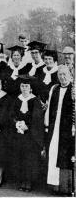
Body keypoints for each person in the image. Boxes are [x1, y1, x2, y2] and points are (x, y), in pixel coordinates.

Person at [10, 75, 45, 192]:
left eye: (27, 86)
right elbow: (12, 115)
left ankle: (29, 182)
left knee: (30, 159)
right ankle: (22, 181)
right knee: (20, 157)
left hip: (31, 135)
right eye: (22, 86)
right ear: (20, 87)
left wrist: (27, 126)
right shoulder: (17, 99)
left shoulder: (35, 100)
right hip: (19, 133)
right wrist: (17, 123)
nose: (24, 88)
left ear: (30, 88)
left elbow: (37, 118)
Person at [45, 65, 75, 195]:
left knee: (65, 155)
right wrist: (47, 124)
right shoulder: (54, 88)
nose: (62, 77)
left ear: (69, 75)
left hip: (67, 129)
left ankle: (66, 188)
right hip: (54, 126)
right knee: (53, 152)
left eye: (64, 74)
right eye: (60, 75)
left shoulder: (73, 89)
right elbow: (49, 106)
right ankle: (54, 186)